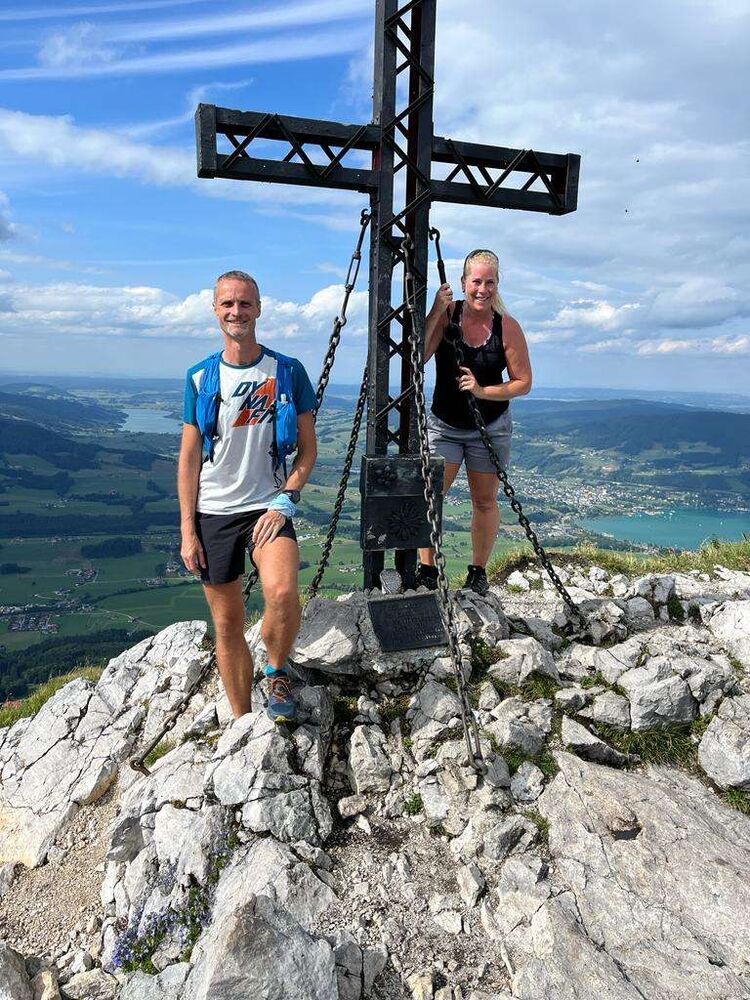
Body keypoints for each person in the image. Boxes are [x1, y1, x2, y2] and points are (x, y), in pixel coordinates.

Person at [178, 270, 318, 723]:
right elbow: (189, 458)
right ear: (215, 310)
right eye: (227, 304)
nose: (236, 311)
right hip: (213, 511)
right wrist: (187, 530)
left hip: (266, 505)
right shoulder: (200, 377)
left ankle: (276, 672)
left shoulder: (287, 371)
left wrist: (286, 498)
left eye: (244, 303)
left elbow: (308, 449)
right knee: (227, 623)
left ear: (258, 308)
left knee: (282, 591)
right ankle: (242, 721)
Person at [417, 249, 532, 595]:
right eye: (476, 281)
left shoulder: (506, 327)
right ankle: (427, 569)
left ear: (498, 285)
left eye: (490, 282)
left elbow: (523, 382)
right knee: (431, 496)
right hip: (445, 425)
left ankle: (478, 571)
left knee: (484, 500)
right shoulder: (448, 315)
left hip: (490, 426)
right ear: (464, 282)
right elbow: (418, 356)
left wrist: (482, 391)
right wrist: (436, 311)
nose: (483, 289)